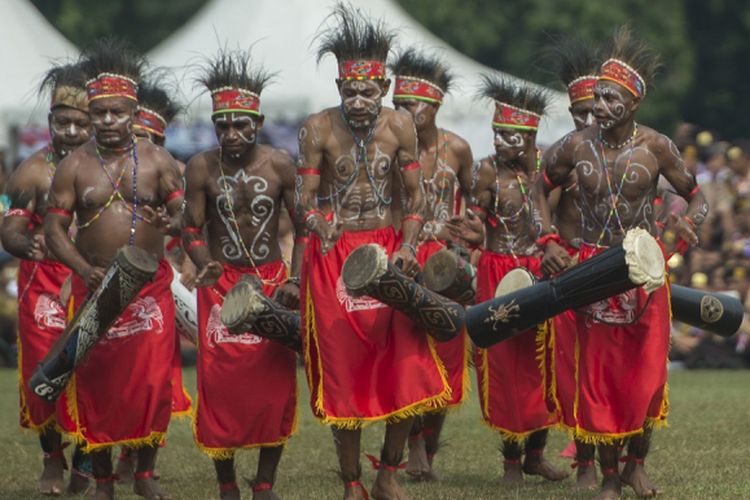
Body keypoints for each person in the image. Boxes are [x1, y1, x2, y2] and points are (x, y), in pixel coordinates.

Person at [537, 27, 708, 499]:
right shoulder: (575, 147)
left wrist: (690, 224)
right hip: (592, 265)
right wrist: (547, 238)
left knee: (645, 377)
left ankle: (636, 464)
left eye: (611, 98)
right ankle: (609, 477)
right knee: (600, 377)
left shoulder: (656, 147)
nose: (599, 106)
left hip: (644, 269)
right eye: (597, 96)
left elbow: (698, 197)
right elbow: (539, 186)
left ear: (633, 105)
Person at [296, 5, 450, 499]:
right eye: (348, 91)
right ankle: (352, 483)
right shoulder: (318, 128)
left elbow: (416, 197)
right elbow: (302, 199)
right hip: (335, 256)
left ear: (383, 89)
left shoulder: (401, 125)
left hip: (389, 250)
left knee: (404, 366)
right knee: (343, 373)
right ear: (338, 89)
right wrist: (318, 221)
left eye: (367, 91)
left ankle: (387, 474)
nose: (358, 101)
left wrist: (407, 244)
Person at [44, 38, 183, 500]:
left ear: (133, 111)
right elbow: (56, 231)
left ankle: (144, 472)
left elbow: (184, 215)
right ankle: (103, 480)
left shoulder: (159, 161)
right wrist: (83, 269)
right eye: (99, 113)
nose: (107, 122)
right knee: (97, 385)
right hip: (96, 285)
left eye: (117, 113)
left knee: (153, 382)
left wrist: (172, 219)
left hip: (151, 289)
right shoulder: (74, 167)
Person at [180, 48, 298, 500]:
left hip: (271, 282)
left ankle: (264, 484)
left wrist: (295, 280)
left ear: (259, 121)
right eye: (222, 124)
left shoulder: (281, 164)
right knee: (220, 385)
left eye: (241, 124)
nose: (231, 134)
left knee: (274, 385)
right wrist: (200, 257)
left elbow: (304, 229)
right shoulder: (200, 167)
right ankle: (227, 484)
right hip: (222, 283)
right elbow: (190, 225)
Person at [447, 75, 567, 486]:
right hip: (496, 272)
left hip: (541, 275)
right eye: (498, 133)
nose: (501, 142)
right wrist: (469, 230)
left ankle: (536, 454)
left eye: (511, 136)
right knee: (503, 368)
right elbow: (477, 219)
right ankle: (511, 462)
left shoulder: (552, 171)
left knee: (543, 365)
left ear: (531, 135)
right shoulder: (486, 172)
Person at [1, 62, 93, 496]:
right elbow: (11, 227)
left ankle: (87, 463)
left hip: (93, 277)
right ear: (50, 121)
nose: (71, 131)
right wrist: (24, 244)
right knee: (46, 373)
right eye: (63, 122)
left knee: (96, 371)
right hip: (44, 285)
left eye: (80, 122)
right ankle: (53, 461)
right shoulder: (31, 171)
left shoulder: (108, 169)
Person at [387, 48, 474, 482]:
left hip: (446, 265)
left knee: (448, 353)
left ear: (435, 105)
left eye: (414, 103)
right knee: (407, 354)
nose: (405, 111)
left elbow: (480, 207)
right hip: (403, 259)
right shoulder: (384, 147)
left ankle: (428, 449)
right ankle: (411, 444)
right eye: (399, 103)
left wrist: (475, 234)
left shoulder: (457, 149)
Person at [115, 78, 194, 483]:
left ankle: (139, 462)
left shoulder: (171, 171)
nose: (146, 144)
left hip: (156, 283)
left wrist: (189, 264)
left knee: (153, 378)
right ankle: (88, 461)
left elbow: (189, 224)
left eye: (154, 137)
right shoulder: (104, 167)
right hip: (106, 283)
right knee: (109, 375)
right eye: (140, 135)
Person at [544, 36, 601, 490]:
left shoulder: (636, 149)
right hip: (571, 265)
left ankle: (626, 464)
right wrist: (547, 241)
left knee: (617, 364)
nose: (586, 120)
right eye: (576, 112)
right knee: (576, 366)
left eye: (593, 109)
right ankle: (585, 462)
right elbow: (537, 200)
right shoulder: (564, 152)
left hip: (615, 263)